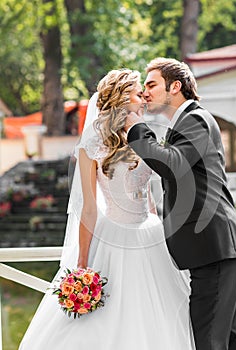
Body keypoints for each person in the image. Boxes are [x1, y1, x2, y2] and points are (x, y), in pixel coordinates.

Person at [19, 69, 195, 349]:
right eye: (139, 93)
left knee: (156, 316)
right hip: (112, 237)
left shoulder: (143, 136)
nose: (144, 98)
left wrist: (159, 227)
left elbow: (147, 194)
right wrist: (82, 265)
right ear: (124, 97)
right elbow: (88, 208)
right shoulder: (93, 145)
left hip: (150, 235)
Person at [125, 57, 236, 350]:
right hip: (212, 248)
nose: (146, 92)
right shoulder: (184, 123)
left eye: (151, 84)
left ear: (175, 86)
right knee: (230, 341)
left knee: (210, 341)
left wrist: (137, 129)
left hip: (214, 246)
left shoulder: (196, 119)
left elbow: (173, 165)